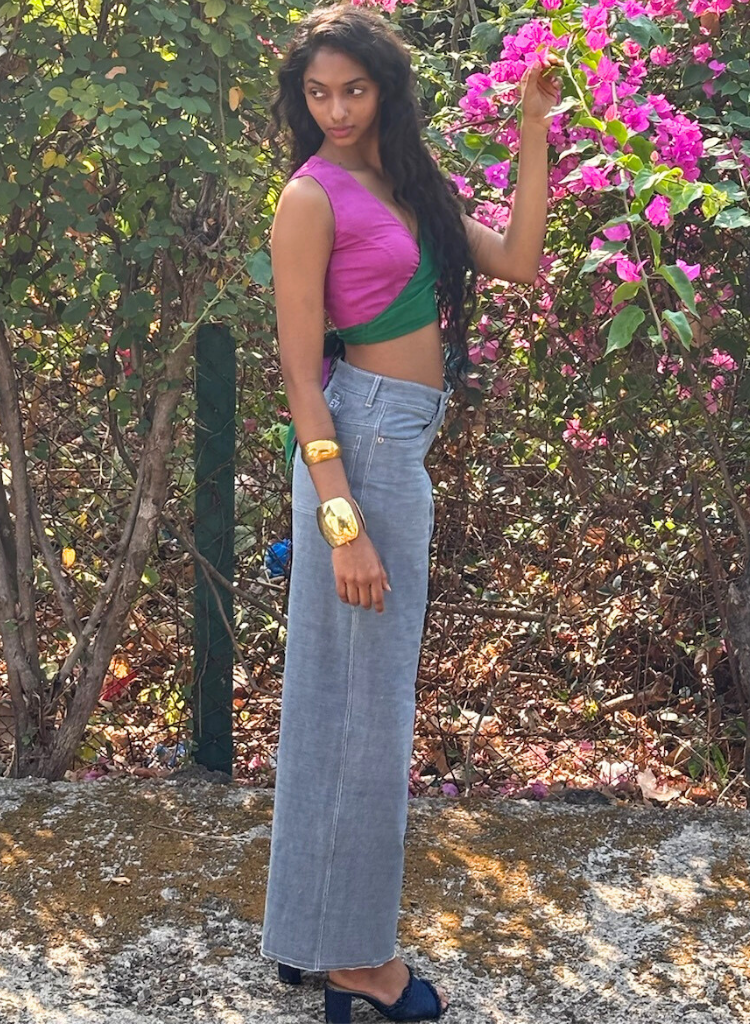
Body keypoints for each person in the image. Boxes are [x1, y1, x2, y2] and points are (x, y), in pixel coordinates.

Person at [259, 3, 559, 1020]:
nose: (336, 109)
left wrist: (531, 129)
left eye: (353, 89)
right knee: (364, 712)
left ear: (385, 88)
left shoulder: (406, 183)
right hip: (358, 454)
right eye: (318, 93)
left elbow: (517, 260)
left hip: (398, 446)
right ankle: (356, 960)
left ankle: (312, 934)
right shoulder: (311, 197)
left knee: (345, 702)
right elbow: (300, 375)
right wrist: (340, 523)